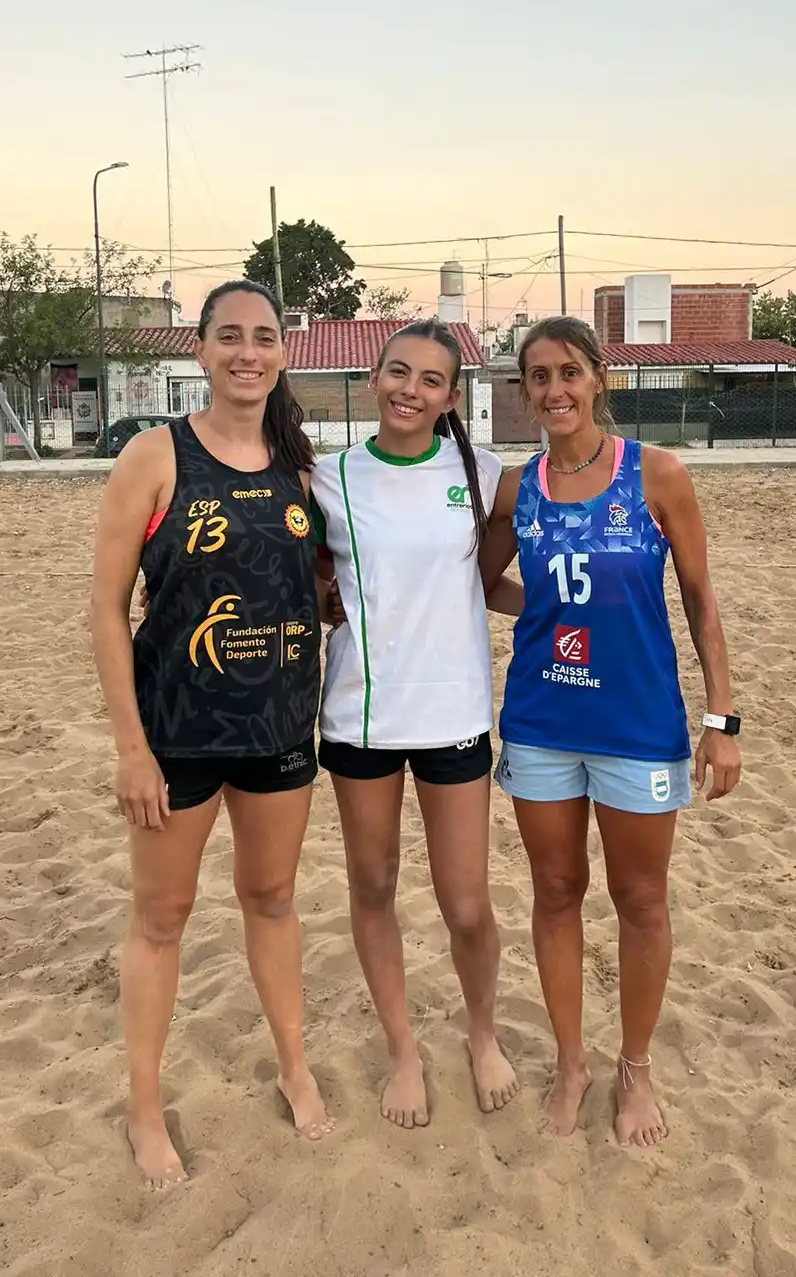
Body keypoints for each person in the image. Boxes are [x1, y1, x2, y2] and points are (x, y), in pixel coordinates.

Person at [90, 278, 332, 1188]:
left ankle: (295, 1067)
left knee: (271, 899)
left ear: (284, 351)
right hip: (177, 736)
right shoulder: (155, 457)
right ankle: (144, 1110)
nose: (247, 352)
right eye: (228, 335)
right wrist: (129, 747)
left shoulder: (301, 467)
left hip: (277, 728)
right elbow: (107, 611)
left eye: (263, 336)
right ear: (200, 350)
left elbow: (320, 590)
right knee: (162, 918)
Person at [480, 316, 741, 1147]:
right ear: (523, 391)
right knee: (556, 893)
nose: (554, 391)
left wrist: (721, 722)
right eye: (537, 378)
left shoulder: (657, 475)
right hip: (542, 722)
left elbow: (701, 604)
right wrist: (560, 615)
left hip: (637, 724)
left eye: (568, 373)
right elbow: (484, 583)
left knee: (641, 899)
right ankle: (571, 1062)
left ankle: (634, 1067)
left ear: (600, 378)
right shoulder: (517, 489)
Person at [310, 319, 520, 1127]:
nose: (410, 389)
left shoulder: (486, 470)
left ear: (451, 397)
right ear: (372, 377)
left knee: (465, 902)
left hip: (456, 710)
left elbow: (566, 498)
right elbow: (300, 569)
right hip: (361, 718)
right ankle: (403, 1050)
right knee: (373, 886)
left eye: (430, 380)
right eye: (398, 372)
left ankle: (481, 1032)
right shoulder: (328, 477)